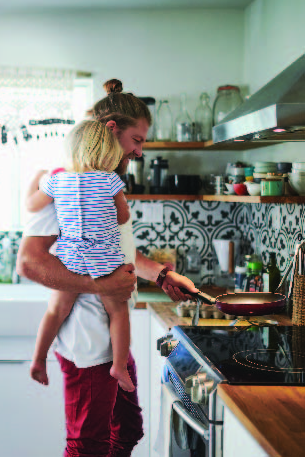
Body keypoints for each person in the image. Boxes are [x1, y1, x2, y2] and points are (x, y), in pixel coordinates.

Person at [17, 78, 198, 457]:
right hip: (87, 344)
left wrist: (160, 273)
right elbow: (30, 264)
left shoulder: (107, 182)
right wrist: (102, 286)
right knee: (87, 446)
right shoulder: (63, 182)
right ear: (113, 130)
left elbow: (121, 253)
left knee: (127, 431)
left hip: (114, 340)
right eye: (138, 140)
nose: (140, 150)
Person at [27, 119, 135, 393]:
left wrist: (35, 180)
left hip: (71, 258)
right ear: (109, 153)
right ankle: (119, 366)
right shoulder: (112, 180)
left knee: (56, 310)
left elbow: (30, 205)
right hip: (105, 259)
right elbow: (124, 216)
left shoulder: (56, 181)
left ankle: (39, 359)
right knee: (118, 311)